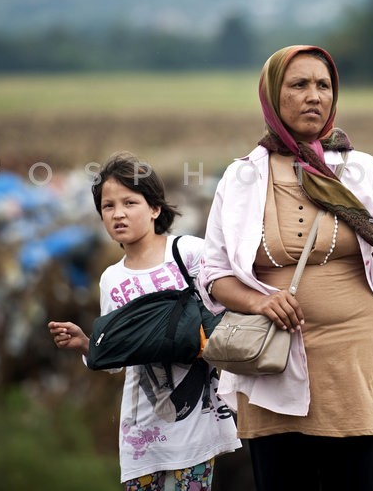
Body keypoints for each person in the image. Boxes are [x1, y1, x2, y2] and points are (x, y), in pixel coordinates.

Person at [199, 45, 373, 491]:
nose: (314, 96)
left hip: (353, 366)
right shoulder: (242, 178)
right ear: (271, 95)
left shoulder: (362, 172)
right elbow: (215, 273)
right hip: (271, 368)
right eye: (299, 85)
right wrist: (260, 302)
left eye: (323, 85)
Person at [47, 152, 240, 491]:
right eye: (108, 206)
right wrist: (84, 343)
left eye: (130, 202)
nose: (118, 213)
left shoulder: (188, 253)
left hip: (196, 427)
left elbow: (225, 314)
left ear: (155, 209)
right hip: (141, 434)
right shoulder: (111, 279)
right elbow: (116, 359)